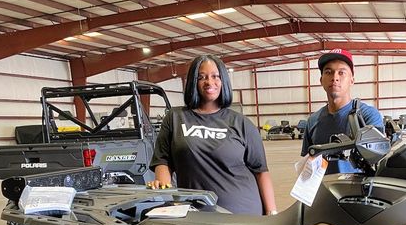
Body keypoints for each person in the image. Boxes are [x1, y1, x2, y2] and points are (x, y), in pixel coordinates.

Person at [149, 54, 277, 215]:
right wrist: (164, 194)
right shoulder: (175, 118)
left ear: (223, 80)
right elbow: (163, 161)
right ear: (193, 82)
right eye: (202, 77)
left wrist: (272, 213)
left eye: (215, 76)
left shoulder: (241, 123)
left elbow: (261, 171)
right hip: (195, 212)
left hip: (243, 213)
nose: (210, 82)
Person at [301, 49, 383, 172]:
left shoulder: (368, 116)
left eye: (341, 73)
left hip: (359, 189)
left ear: (352, 80)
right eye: (328, 72)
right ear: (321, 80)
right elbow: (308, 161)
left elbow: (378, 156)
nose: (335, 77)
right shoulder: (313, 121)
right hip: (324, 189)